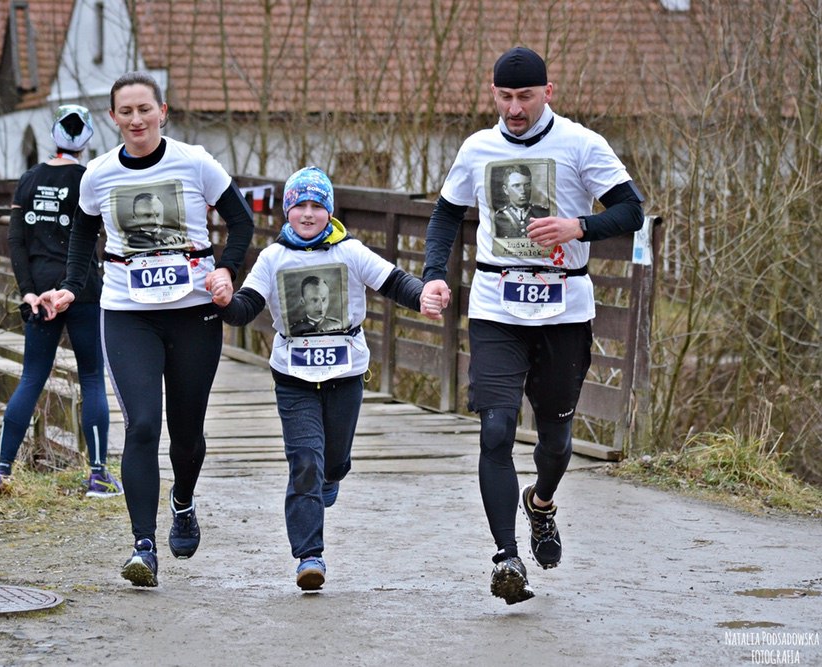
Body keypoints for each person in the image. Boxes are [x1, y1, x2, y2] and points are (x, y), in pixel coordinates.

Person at [420, 46, 645, 605]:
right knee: (495, 430)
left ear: (549, 91)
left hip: (564, 309)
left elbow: (632, 210)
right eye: (505, 97)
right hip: (496, 306)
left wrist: (578, 226)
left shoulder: (580, 144)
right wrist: (433, 275)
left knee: (555, 440)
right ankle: (507, 557)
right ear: (493, 94)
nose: (515, 108)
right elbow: (446, 213)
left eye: (525, 96)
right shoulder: (477, 148)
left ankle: (540, 503)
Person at [38, 71, 254, 588]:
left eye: (144, 109)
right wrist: (70, 286)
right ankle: (143, 546)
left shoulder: (195, 162)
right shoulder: (98, 174)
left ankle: (183, 501)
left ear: (163, 111)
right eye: (126, 111)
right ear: (113, 118)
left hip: (194, 311)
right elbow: (82, 236)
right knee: (141, 426)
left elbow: (242, 222)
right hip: (127, 312)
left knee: (186, 431)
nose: (136, 119)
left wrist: (227, 270)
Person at [214, 166, 441, 590]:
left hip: (344, 374)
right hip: (293, 376)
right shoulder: (273, 258)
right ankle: (309, 556)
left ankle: (331, 477)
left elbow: (393, 281)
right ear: (287, 211)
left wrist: (424, 295)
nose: (308, 213)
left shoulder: (349, 251)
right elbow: (246, 306)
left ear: (330, 212)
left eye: (317, 205)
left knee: (332, 462)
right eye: (299, 204)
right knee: (305, 462)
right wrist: (224, 301)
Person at [0, 104, 120, 499]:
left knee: (31, 377)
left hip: (40, 292)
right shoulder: (88, 179)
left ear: (53, 133)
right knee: (92, 378)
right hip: (83, 290)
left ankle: (2, 472)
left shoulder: (29, 179)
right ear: (87, 137)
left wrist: (28, 291)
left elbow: (16, 240)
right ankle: (98, 475)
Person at [494, 164, 550, 238]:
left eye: (527, 185)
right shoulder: (498, 217)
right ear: (505, 190)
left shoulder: (543, 214)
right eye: (516, 186)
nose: (523, 191)